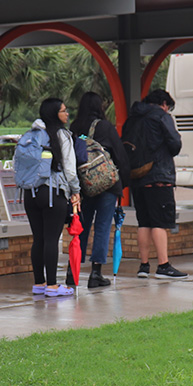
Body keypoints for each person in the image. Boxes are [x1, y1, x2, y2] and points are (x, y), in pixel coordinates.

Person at [128, 89, 188, 279]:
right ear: (163, 103)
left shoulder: (133, 118)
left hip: (137, 177)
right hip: (159, 176)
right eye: (168, 106)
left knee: (144, 222)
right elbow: (175, 144)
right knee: (160, 223)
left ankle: (144, 266)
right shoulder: (161, 117)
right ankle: (163, 265)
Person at [23, 99, 81, 295]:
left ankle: (39, 283)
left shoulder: (31, 134)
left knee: (38, 239)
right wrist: (76, 191)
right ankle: (53, 285)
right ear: (55, 114)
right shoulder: (62, 135)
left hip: (30, 192)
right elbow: (70, 170)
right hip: (53, 191)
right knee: (51, 239)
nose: (67, 114)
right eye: (64, 111)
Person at [72, 92, 130, 288]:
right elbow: (120, 155)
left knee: (82, 227)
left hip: (83, 186)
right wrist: (123, 180)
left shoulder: (74, 127)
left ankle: (73, 272)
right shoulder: (105, 127)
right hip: (106, 185)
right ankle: (95, 273)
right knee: (103, 226)